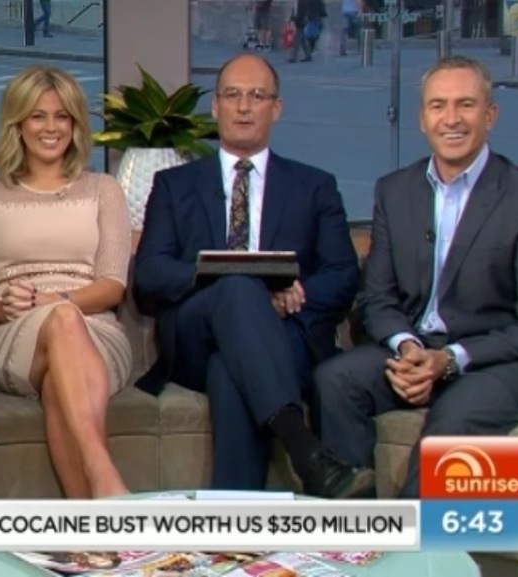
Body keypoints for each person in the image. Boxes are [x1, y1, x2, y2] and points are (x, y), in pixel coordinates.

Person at [313, 55, 518, 499]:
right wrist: (408, 348)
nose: (451, 119)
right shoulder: (394, 191)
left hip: (499, 361)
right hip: (419, 349)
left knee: (455, 419)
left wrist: (449, 359)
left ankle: (412, 542)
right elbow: (377, 297)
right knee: (334, 379)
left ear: (490, 115)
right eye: (438, 106)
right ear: (422, 119)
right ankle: (358, 529)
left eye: (465, 104)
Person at [133, 53, 371, 499]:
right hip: (195, 335)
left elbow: (343, 274)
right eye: (232, 95)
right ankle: (305, 451)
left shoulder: (314, 186)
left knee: (230, 370)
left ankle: (239, 526)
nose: (244, 107)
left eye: (257, 96)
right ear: (216, 106)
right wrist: (223, 281)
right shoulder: (174, 184)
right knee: (238, 286)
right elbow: (150, 273)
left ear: (276, 108)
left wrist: (298, 292)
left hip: (286, 336)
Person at [0, 65, 132, 499]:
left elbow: (112, 285)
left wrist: (58, 298)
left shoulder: (104, 189)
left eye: (62, 116)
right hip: (10, 330)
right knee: (62, 322)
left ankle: (89, 515)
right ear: (17, 123)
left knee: (61, 353)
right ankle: (105, 476)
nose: (52, 128)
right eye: (38, 116)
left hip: (96, 330)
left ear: (75, 123)